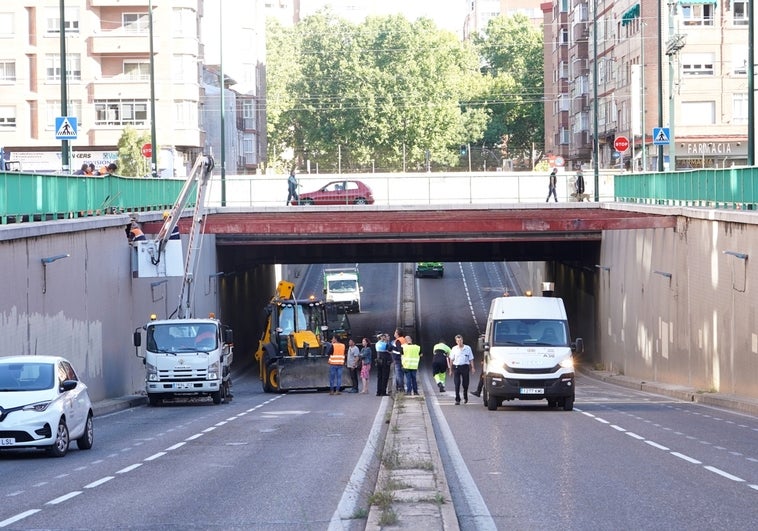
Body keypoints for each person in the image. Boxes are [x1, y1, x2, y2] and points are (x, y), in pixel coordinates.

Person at [449, 334, 475, 405]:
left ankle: (465, 397)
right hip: (456, 367)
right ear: (456, 341)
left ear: (462, 340)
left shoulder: (467, 348)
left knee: (465, 384)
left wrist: (472, 367)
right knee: (457, 384)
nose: (459, 342)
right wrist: (450, 370)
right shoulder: (454, 349)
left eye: (460, 340)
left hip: (465, 367)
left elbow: (471, 358)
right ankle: (457, 399)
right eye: (458, 341)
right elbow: (451, 360)